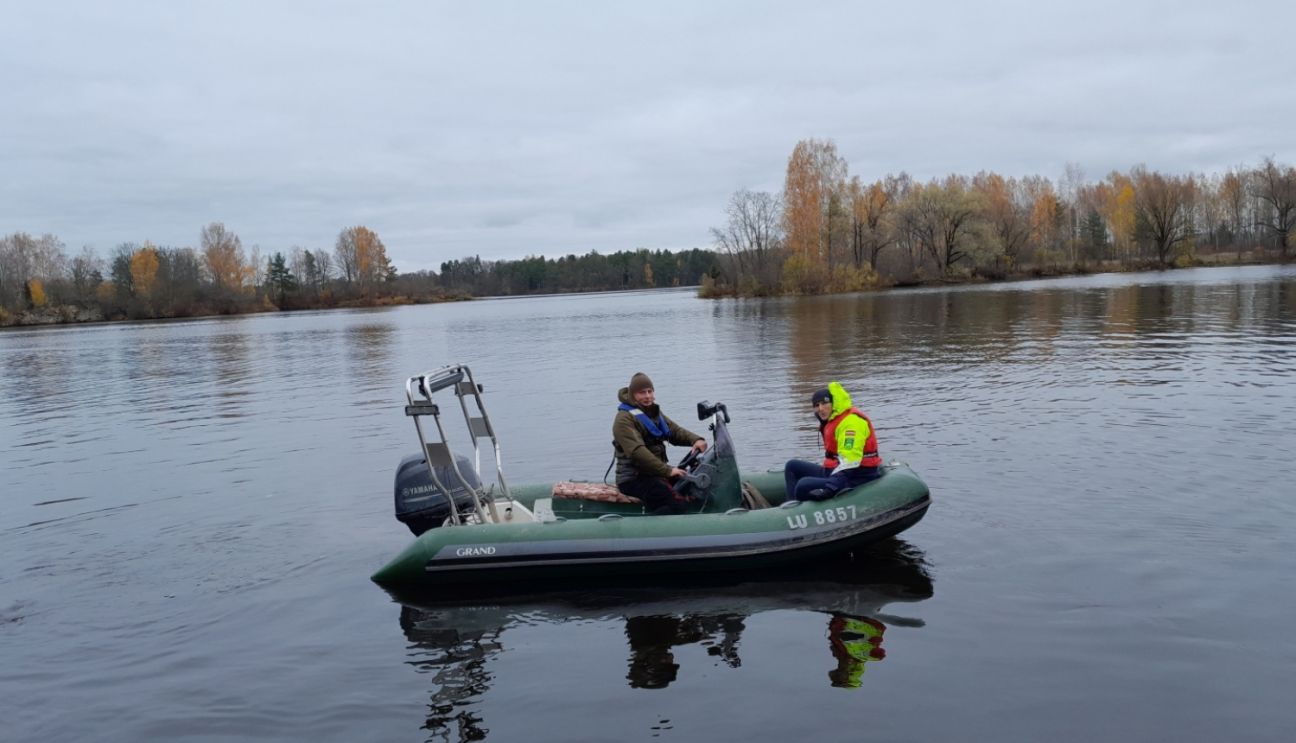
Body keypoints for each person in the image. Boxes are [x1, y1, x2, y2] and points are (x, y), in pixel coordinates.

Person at [613, 372, 708, 515]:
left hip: (654, 473)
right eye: (642, 393)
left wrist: (695, 439)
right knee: (677, 505)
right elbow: (637, 452)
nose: (647, 396)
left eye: (650, 391)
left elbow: (674, 431)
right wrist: (668, 470)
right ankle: (648, 525)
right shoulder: (624, 419)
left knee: (690, 486)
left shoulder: (652, 411)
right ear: (633, 395)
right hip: (634, 479)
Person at [783, 381, 882, 502]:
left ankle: (802, 511)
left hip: (857, 475)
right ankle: (791, 505)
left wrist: (831, 488)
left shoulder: (851, 423)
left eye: (824, 403)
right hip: (835, 470)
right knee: (792, 466)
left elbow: (850, 460)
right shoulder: (833, 419)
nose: (820, 408)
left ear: (833, 403)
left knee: (803, 485)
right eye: (817, 405)